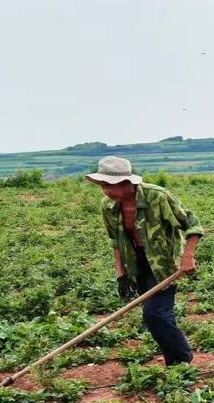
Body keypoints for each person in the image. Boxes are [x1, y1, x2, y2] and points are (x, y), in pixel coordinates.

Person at [85, 156, 202, 366]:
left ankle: (181, 361)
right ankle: (176, 361)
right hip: (136, 264)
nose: (105, 191)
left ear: (126, 183)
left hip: (164, 264)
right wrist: (121, 274)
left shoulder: (157, 196)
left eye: (108, 185)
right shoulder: (108, 206)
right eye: (102, 185)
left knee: (154, 313)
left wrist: (188, 256)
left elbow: (192, 225)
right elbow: (116, 241)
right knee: (161, 315)